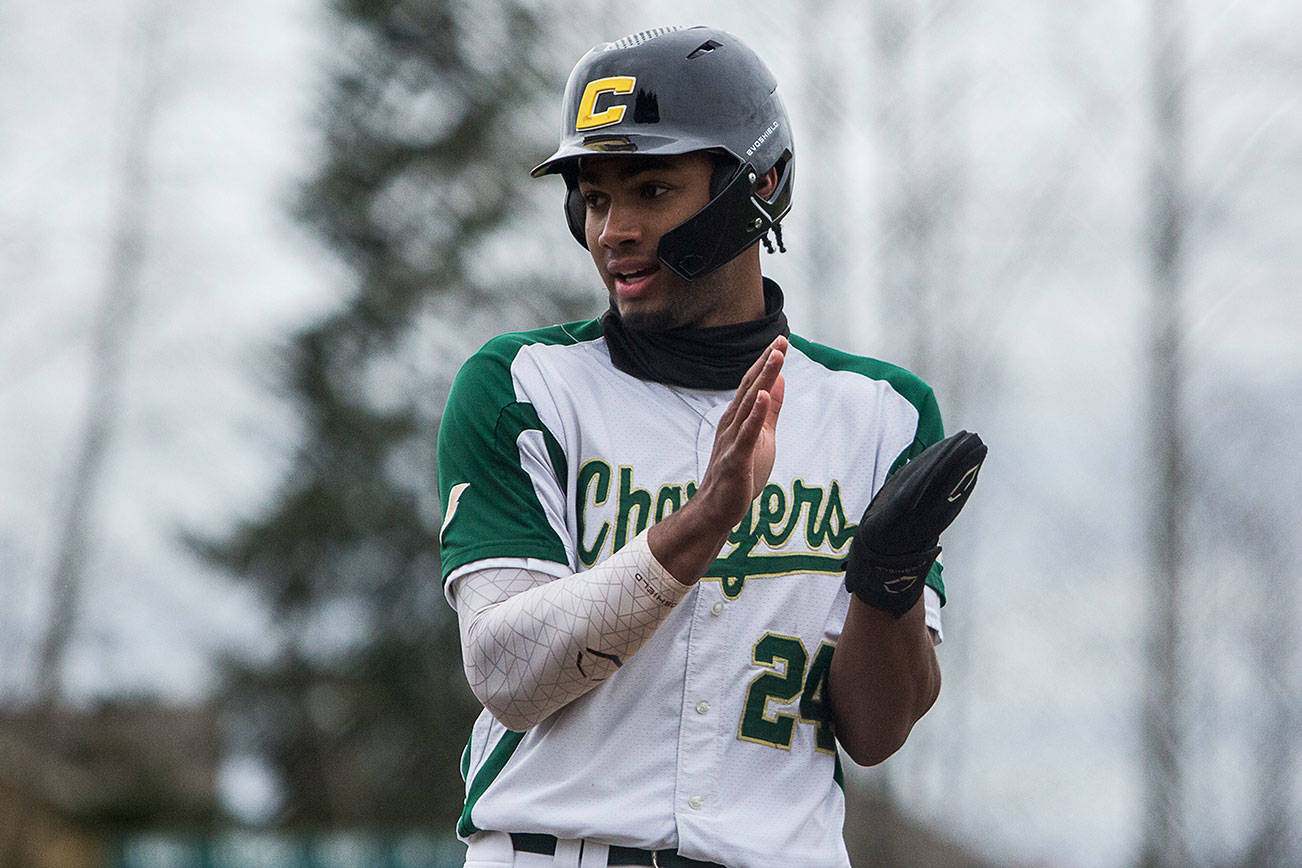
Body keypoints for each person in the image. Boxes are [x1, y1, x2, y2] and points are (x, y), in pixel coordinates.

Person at [438, 25, 986, 868]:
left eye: (652, 188)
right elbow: (508, 673)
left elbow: (876, 735)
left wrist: (889, 585)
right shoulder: (522, 384)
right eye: (593, 197)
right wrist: (703, 523)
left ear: (757, 183)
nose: (613, 229)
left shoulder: (880, 413)